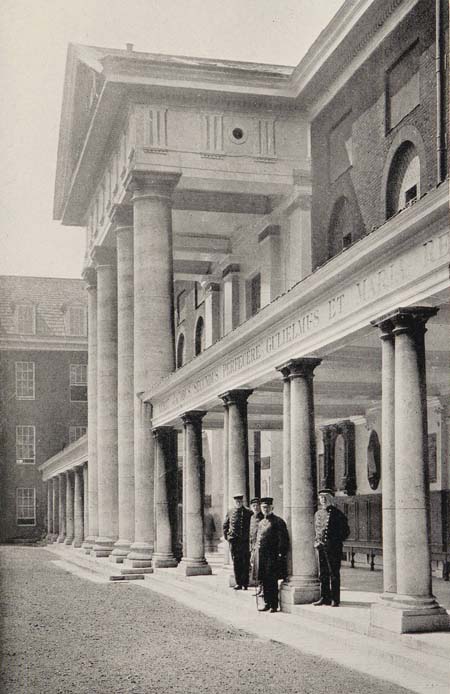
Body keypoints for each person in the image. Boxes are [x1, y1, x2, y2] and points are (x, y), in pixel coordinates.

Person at [313, 488, 350, 607]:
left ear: (330, 499)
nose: (323, 500)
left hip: (333, 548)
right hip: (321, 547)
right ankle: (325, 597)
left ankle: (335, 598)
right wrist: (318, 541)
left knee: (333, 573)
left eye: (325, 498)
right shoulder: (318, 514)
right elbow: (317, 530)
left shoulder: (337, 514)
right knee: (322, 573)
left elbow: (345, 532)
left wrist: (334, 542)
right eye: (321, 498)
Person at [254, 497, 289, 613]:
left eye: (267, 507)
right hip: (261, 556)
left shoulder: (278, 521)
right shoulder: (261, 522)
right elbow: (257, 539)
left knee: (272, 580)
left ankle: (274, 605)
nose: (265, 509)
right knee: (264, 580)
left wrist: (280, 554)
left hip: (272, 556)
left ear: (272, 508)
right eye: (263, 507)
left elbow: (283, 539)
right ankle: (267, 603)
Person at [223, 493, 252, 590]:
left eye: (240, 501)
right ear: (234, 502)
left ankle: (245, 583)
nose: (239, 503)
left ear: (243, 502)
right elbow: (225, 525)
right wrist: (228, 537)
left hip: (245, 542)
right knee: (236, 562)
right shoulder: (230, 511)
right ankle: (238, 583)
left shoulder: (248, 512)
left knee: (245, 562)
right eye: (237, 502)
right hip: (234, 542)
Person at [249, 497, 263, 593]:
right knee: (256, 567)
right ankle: (260, 587)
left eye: (257, 506)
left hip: (261, 546)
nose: (256, 508)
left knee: (261, 567)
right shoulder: (252, 517)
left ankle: (263, 588)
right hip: (253, 545)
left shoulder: (263, 517)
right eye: (254, 506)